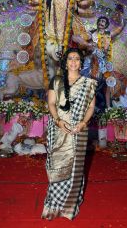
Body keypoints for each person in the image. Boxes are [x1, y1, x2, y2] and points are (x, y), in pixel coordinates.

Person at [41, 47, 97, 220]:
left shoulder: (88, 83)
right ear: (65, 62)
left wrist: (82, 123)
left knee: (75, 168)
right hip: (58, 129)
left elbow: (91, 107)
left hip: (78, 131)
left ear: (81, 63)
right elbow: (51, 104)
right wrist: (58, 120)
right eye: (70, 58)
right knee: (56, 165)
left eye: (77, 59)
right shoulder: (56, 81)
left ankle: (69, 205)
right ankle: (54, 202)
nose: (73, 62)